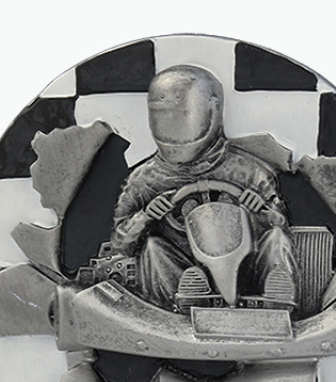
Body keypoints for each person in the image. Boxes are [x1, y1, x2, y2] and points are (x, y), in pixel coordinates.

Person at [111, 65, 297, 311]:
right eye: (163, 115)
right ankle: (185, 302)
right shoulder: (144, 180)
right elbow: (120, 244)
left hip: (245, 268)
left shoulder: (248, 172)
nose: (172, 125)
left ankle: (276, 299)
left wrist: (260, 211)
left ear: (212, 109)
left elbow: (281, 223)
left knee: (276, 239)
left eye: (182, 114)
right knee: (153, 249)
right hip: (184, 270)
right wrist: (146, 216)